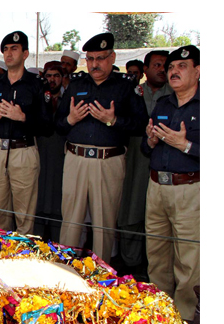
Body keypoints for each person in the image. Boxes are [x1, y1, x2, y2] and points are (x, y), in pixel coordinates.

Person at [55, 33, 148, 264]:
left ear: (112, 57)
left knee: (104, 224)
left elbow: (140, 125)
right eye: (90, 58)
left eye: (100, 58)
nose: (94, 64)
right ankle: (65, 273)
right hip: (75, 158)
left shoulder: (125, 87)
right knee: (71, 221)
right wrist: (71, 120)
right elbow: (57, 124)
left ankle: (101, 276)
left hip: (108, 162)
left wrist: (113, 120)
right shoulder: (76, 85)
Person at [141, 45, 200, 322]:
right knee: (157, 254)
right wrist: (151, 140)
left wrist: (185, 145)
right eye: (172, 67)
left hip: (189, 190)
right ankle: (159, 316)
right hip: (157, 188)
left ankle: (185, 320)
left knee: (188, 260)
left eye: (182, 67)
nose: (173, 71)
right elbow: (145, 146)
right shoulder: (163, 104)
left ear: (198, 71)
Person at [0, 31, 52, 234]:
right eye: (5, 50)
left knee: (24, 215)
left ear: (26, 53)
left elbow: (47, 126)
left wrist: (23, 118)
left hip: (24, 151)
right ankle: (0, 255)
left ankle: (23, 259)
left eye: (14, 49)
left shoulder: (37, 84)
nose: (8, 53)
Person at [117, 51, 173, 275]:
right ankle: (131, 262)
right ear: (146, 69)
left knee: (161, 219)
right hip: (136, 157)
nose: (162, 69)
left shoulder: (176, 94)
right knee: (131, 208)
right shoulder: (133, 93)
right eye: (157, 65)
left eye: (165, 66)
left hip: (167, 159)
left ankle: (158, 268)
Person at [34, 61, 66, 242]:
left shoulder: (69, 100)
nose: (52, 80)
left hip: (59, 159)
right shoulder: (37, 101)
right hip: (39, 156)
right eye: (48, 76)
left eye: (56, 76)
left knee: (57, 203)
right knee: (37, 201)